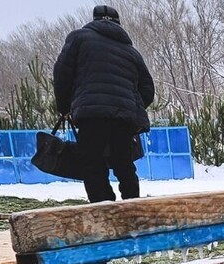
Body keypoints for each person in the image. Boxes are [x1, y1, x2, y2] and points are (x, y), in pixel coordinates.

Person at [53, 4, 155, 203]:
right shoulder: (131, 52)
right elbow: (148, 90)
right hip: (124, 118)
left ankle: (103, 207)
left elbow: (62, 73)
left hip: (92, 113)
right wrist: (130, 106)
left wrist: (65, 107)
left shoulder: (79, 38)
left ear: (94, 19)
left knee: (92, 162)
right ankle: (132, 208)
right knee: (123, 163)